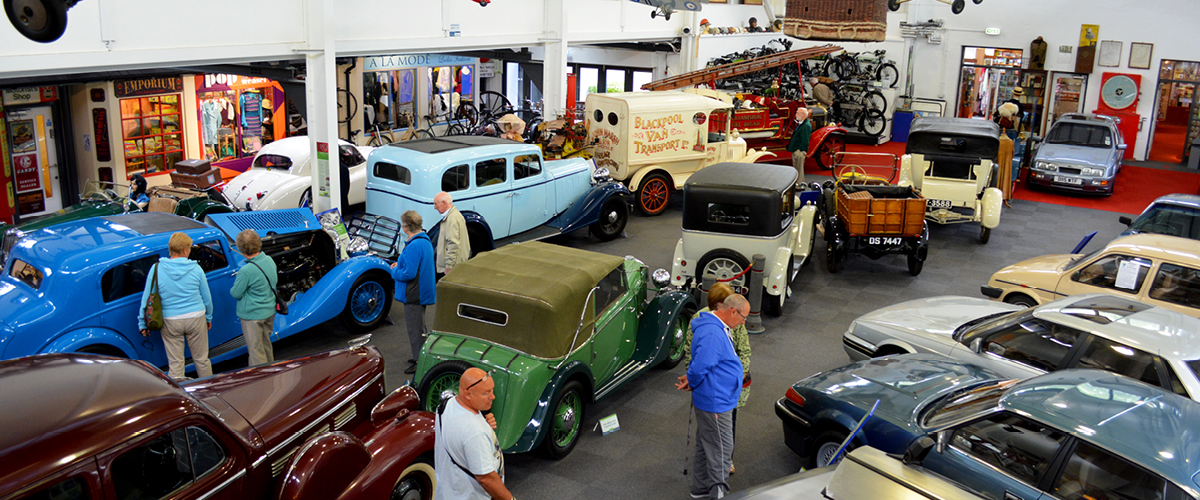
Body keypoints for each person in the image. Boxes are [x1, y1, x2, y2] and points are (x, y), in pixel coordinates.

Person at [676, 294, 748, 499]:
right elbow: (700, 366)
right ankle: (718, 495)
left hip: (716, 399)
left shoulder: (715, 327)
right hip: (716, 403)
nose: (743, 322)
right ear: (733, 311)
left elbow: (703, 361)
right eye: (743, 317)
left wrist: (692, 378)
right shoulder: (713, 333)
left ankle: (700, 490)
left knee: (706, 445)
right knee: (722, 451)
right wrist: (693, 380)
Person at [138, 232, 213, 380]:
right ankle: (209, 388)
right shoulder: (196, 269)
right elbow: (207, 298)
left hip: (170, 321)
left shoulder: (156, 269)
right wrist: (208, 317)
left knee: (176, 363)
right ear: (185, 250)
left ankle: (178, 391)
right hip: (196, 318)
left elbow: (147, 298)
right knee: (202, 360)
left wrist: (142, 322)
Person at [434, 367, 513, 500]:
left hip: (448, 492)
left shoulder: (446, 404)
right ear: (468, 394)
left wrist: (484, 423)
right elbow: (486, 479)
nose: (492, 397)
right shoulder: (476, 433)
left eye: (492, 390)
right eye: (486, 393)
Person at [391, 210, 436, 374]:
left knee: (415, 330)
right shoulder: (424, 241)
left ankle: (420, 361)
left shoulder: (414, 246)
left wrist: (394, 271)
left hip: (414, 293)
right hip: (421, 291)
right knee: (420, 327)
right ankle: (421, 355)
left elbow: (408, 274)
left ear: (406, 227)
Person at [230, 229, 278, 366]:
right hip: (269, 311)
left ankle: (260, 376)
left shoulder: (246, 271)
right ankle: (271, 370)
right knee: (266, 344)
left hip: (253, 316)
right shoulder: (269, 260)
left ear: (241, 248)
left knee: (256, 351)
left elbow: (235, 293)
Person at [434, 192, 471, 280]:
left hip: (452, 267)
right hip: (458, 264)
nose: (435, 207)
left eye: (436, 204)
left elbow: (453, 244)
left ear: (444, 203)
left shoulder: (451, 219)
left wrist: (449, 266)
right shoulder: (455, 215)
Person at [786, 107, 812, 184]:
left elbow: (805, 140)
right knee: (796, 168)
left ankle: (800, 184)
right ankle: (796, 183)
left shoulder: (805, 126)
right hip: (797, 150)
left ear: (803, 115)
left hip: (799, 151)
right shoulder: (802, 123)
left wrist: (800, 150)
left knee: (799, 169)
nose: (796, 114)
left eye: (797, 113)